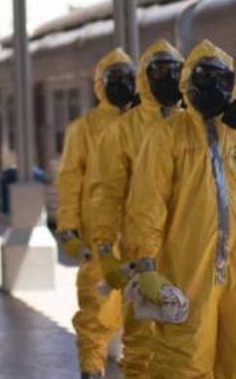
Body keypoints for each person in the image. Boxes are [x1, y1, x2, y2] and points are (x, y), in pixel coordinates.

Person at [125, 40, 236, 379]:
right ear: (187, 82)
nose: (211, 87)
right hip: (185, 274)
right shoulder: (167, 136)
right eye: (202, 78)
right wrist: (146, 266)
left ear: (232, 83)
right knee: (183, 362)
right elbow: (147, 205)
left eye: (220, 79)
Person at [86, 38, 185, 379]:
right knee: (142, 343)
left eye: (174, 71)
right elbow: (106, 194)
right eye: (158, 71)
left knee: (191, 342)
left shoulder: (194, 124)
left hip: (192, 251)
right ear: (144, 77)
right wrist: (104, 247)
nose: (166, 78)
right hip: (144, 253)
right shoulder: (122, 131)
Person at [56, 47, 134, 379]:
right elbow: (70, 180)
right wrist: (69, 230)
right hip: (98, 234)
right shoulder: (83, 128)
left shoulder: (144, 124)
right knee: (95, 308)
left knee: (142, 314)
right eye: (113, 78)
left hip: (140, 234)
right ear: (100, 84)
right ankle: (92, 368)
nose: (121, 84)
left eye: (127, 78)